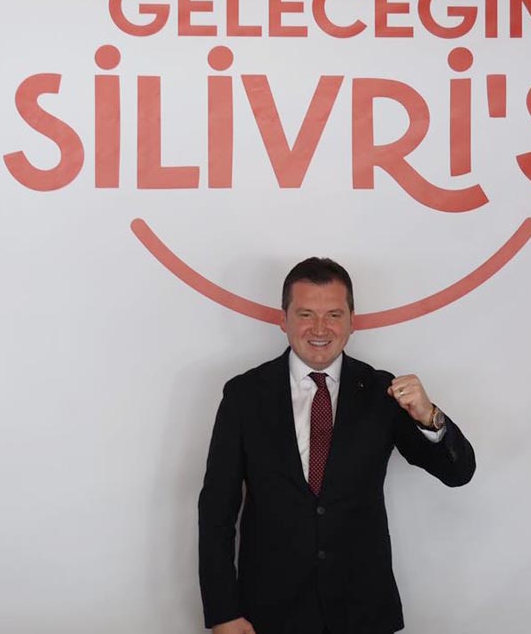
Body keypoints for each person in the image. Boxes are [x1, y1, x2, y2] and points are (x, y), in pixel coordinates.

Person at [198, 257, 475, 634]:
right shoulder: (244, 395)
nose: (319, 328)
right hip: (267, 613)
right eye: (305, 314)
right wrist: (223, 612)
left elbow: (458, 473)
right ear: (283, 320)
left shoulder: (381, 392)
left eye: (333, 315)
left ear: (351, 321)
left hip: (363, 611)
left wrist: (429, 416)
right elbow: (216, 509)